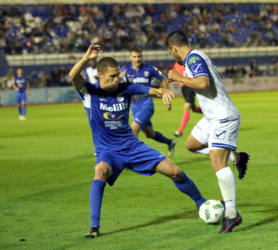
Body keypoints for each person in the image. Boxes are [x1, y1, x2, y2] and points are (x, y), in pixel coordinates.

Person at [69, 45, 207, 238]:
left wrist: (163, 92)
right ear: (100, 75)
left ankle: (202, 203)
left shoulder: (126, 88)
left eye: (118, 75)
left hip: (133, 147)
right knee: (100, 172)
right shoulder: (89, 93)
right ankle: (94, 227)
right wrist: (85, 58)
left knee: (175, 171)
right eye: (112, 77)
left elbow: (153, 90)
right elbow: (73, 76)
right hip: (107, 151)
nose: (117, 80)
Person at [166, 31, 250, 234]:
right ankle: (236, 157)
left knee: (216, 163)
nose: (173, 57)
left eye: (171, 53)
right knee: (192, 145)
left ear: (174, 49)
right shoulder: (195, 58)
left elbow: (203, 83)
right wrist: (183, 78)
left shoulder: (193, 58)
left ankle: (231, 214)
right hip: (212, 117)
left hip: (223, 116)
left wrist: (179, 77)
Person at [119, 46, 176, 157]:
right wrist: (119, 78)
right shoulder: (125, 71)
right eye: (134, 57)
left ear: (142, 56)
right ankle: (170, 142)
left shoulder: (149, 69)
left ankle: (134, 158)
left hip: (147, 105)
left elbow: (163, 78)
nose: (137, 59)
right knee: (150, 134)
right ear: (130, 57)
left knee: (134, 129)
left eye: (139, 56)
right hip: (134, 106)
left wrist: (166, 94)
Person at [173, 62, 203, 137]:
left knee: (187, 106)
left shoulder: (188, 62)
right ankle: (213, 113)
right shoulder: (176, 64)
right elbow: (176, 76)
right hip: (184, 89)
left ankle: (180, 131)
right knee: (194, 109)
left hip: (190, 87)